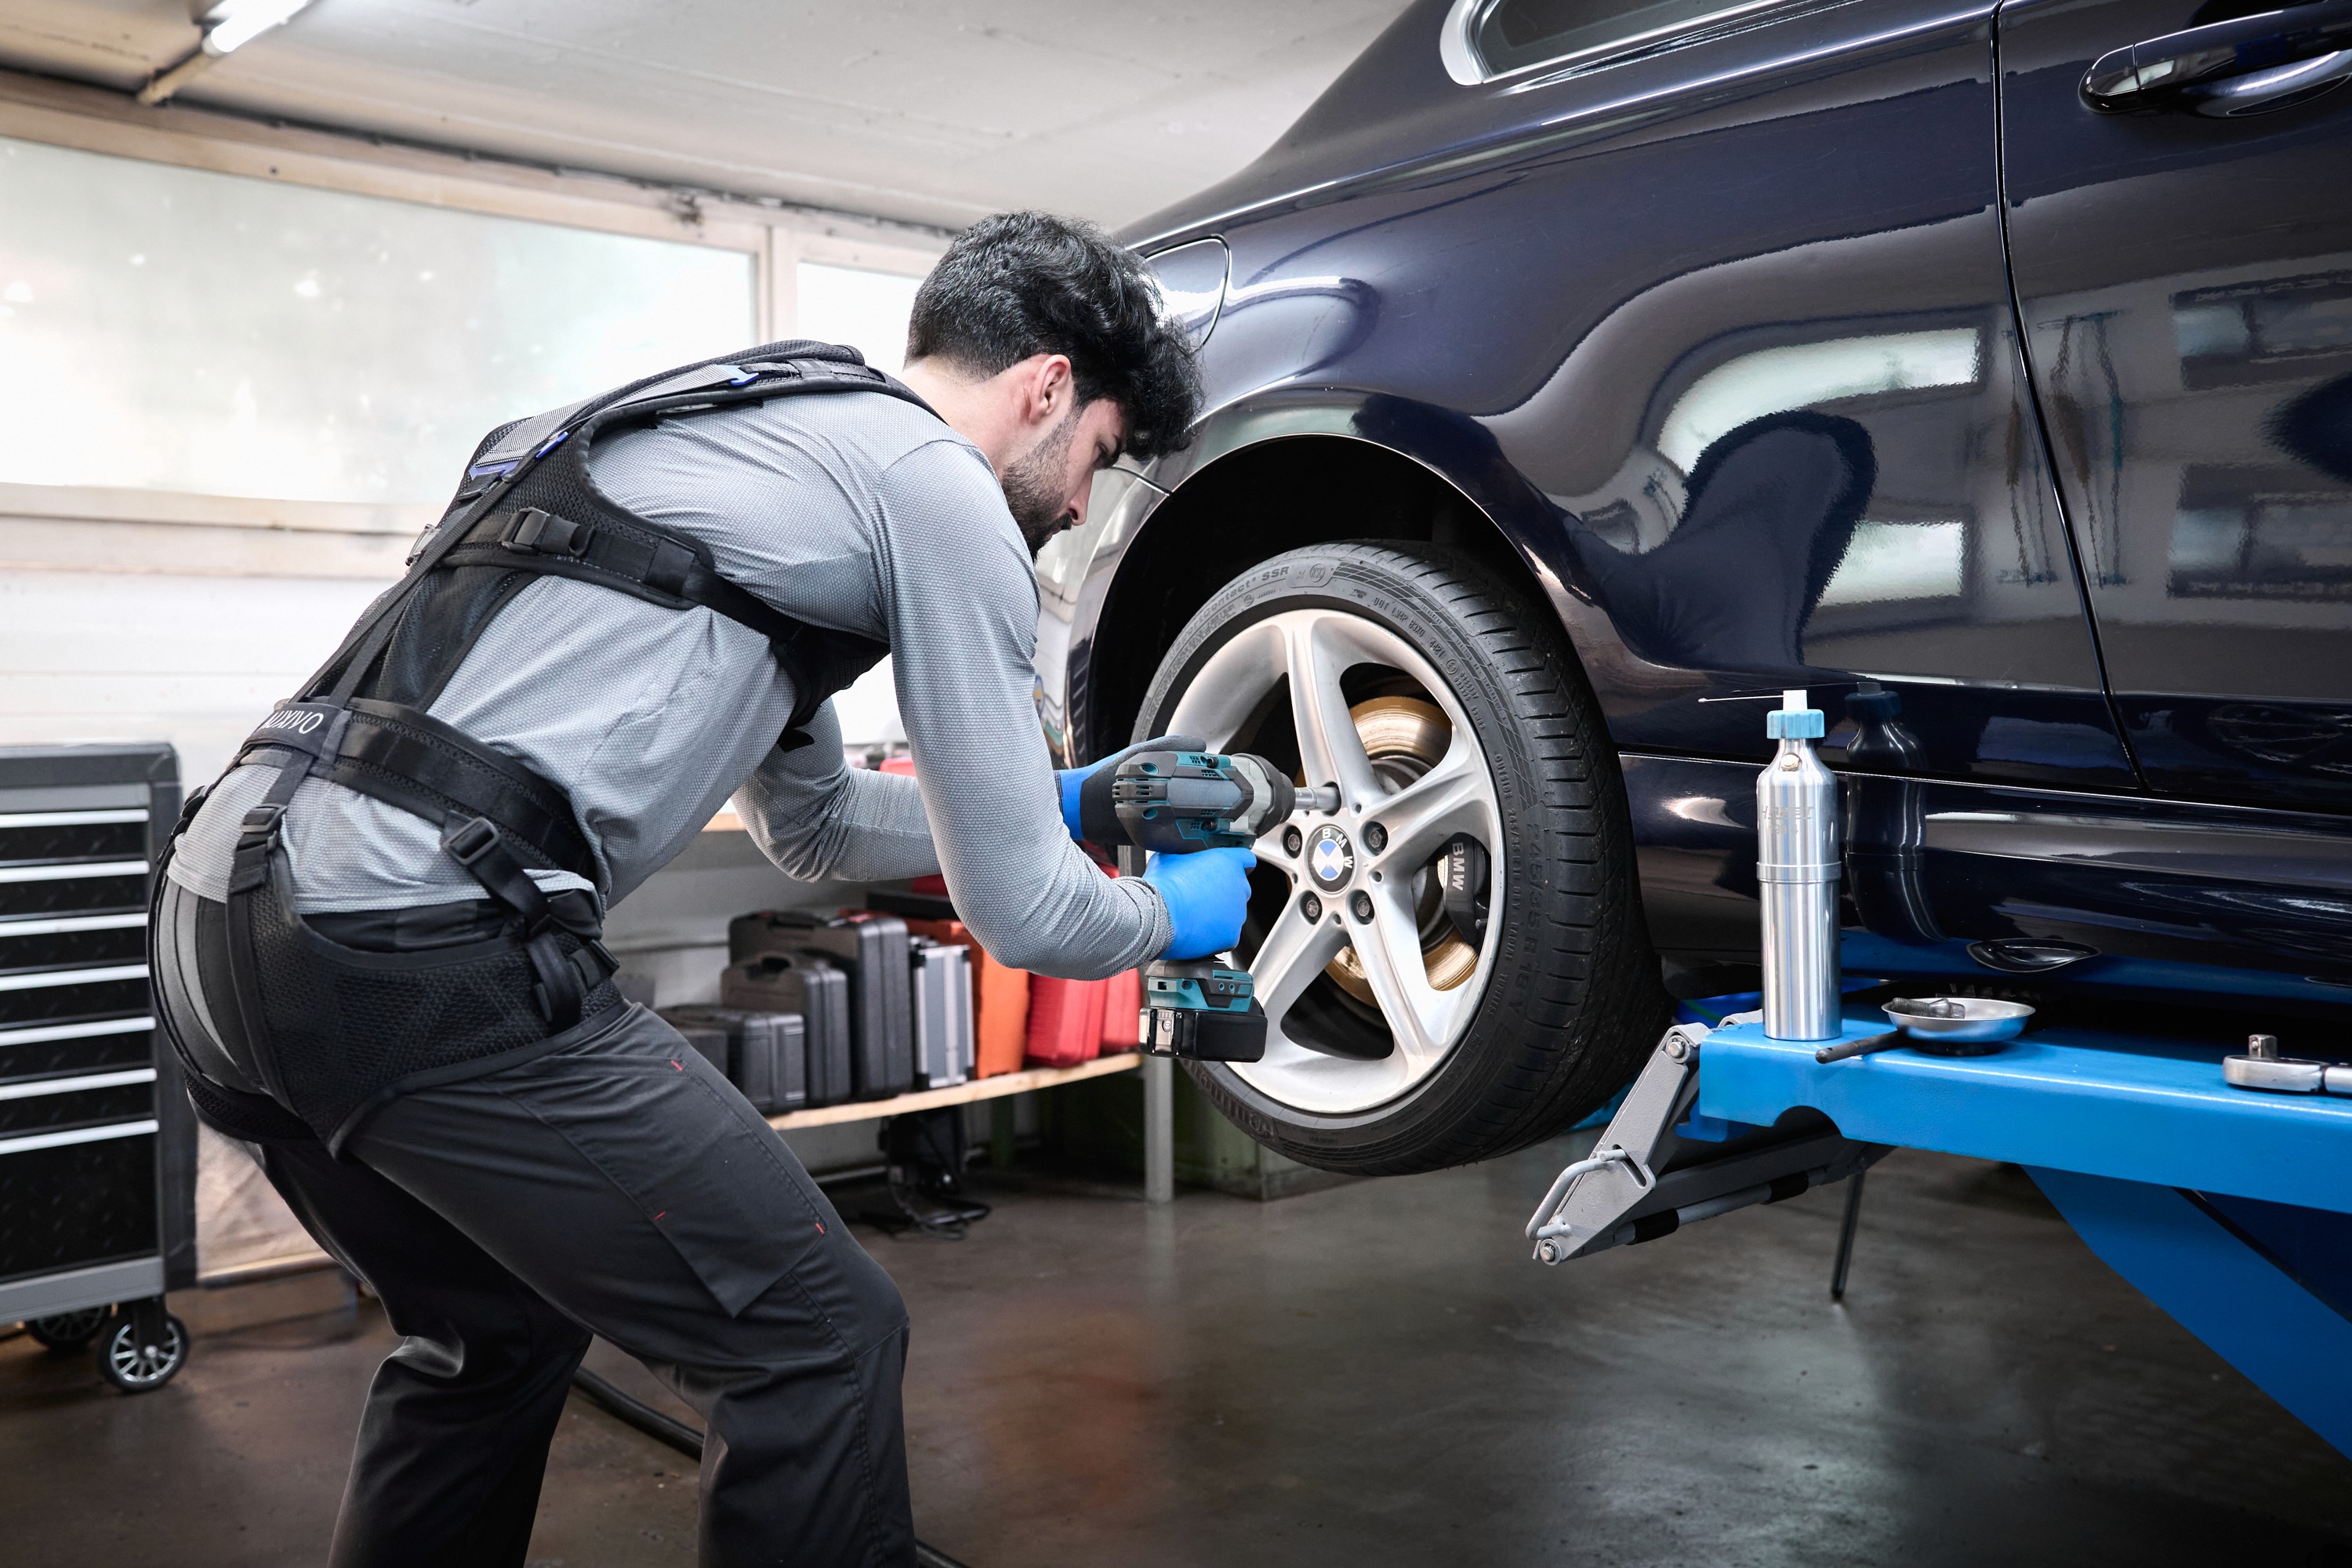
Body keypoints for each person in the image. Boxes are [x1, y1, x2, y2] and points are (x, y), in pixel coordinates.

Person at [148, 210, 1255, 1568]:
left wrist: (1066, 802)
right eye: (1099, 455)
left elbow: (814, 826)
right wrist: (1173, 919)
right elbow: (1023, 915)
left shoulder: (742, 435)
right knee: (820, 1337)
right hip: (412, 954)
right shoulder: (938, 488)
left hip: (217, 930)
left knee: (491, 1334)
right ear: (1045, 388)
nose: (1083, 504)